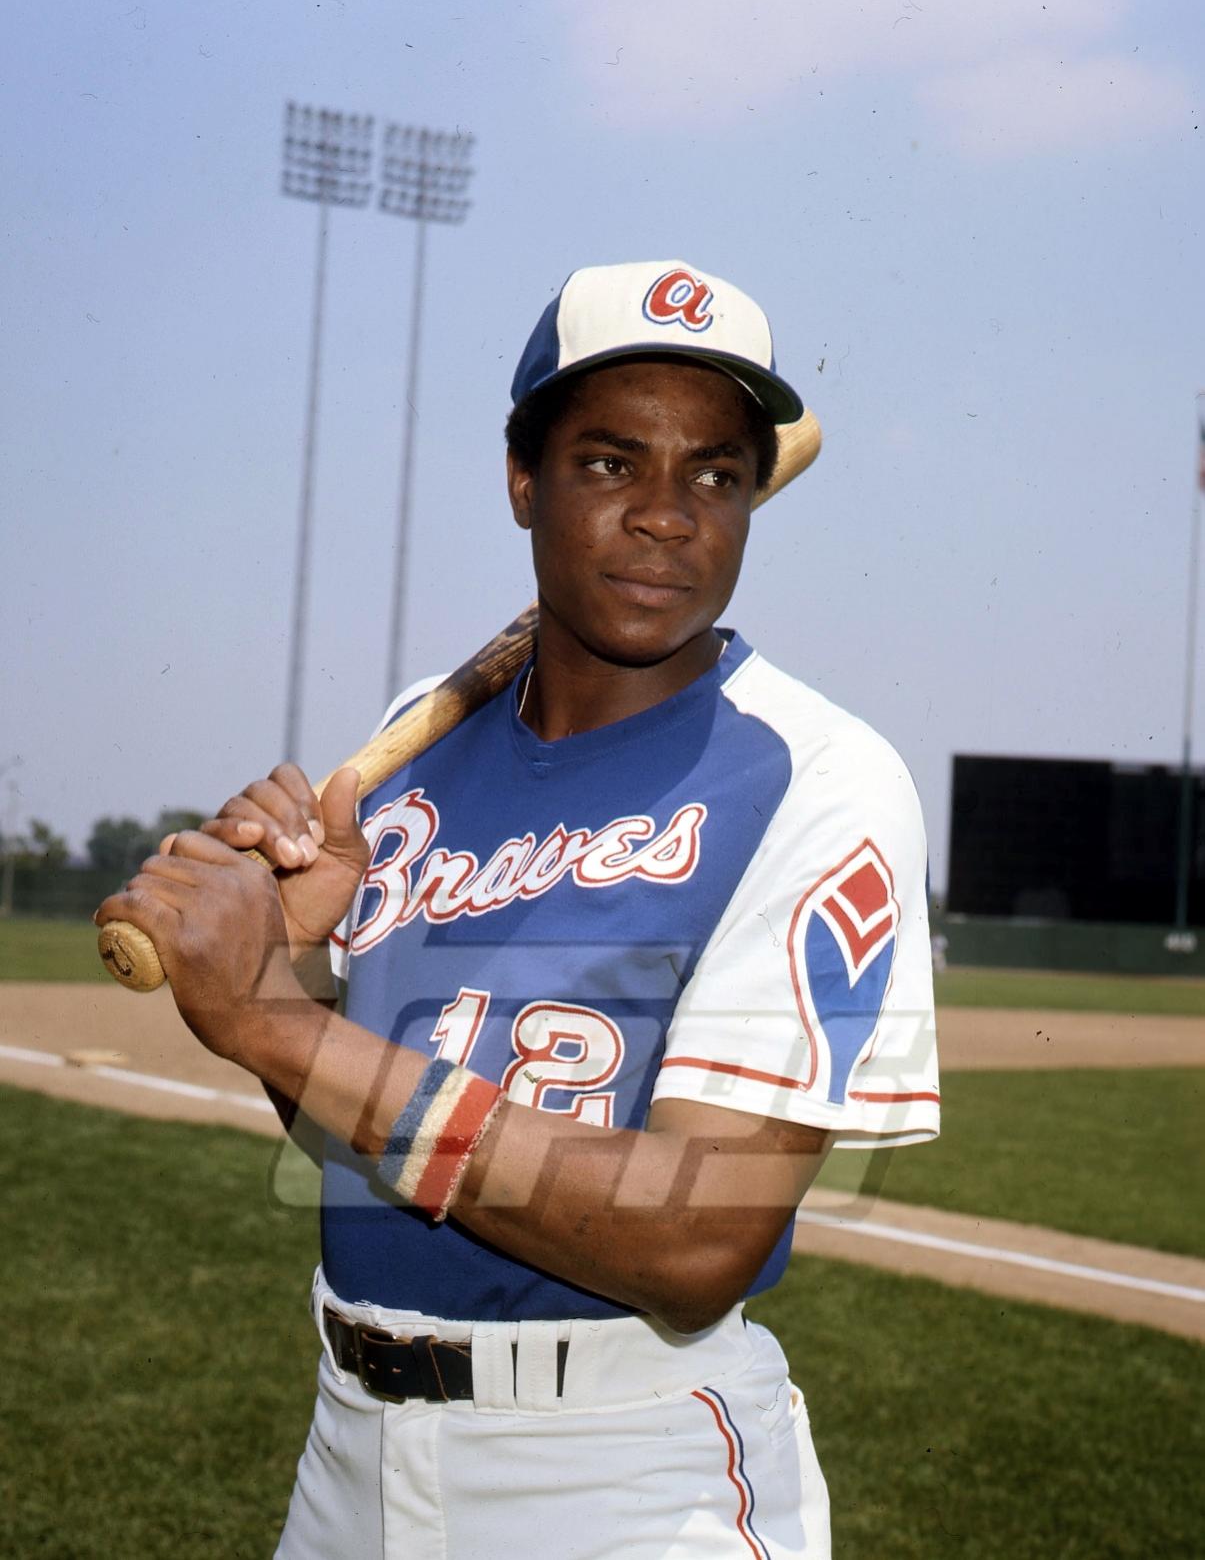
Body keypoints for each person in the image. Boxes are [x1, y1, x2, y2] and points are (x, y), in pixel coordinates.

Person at [97, 260, 939, 1558]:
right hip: (348, 1456)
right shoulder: (416, 744)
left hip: (623, 1475)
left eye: (715, 474)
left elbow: (699, 1236)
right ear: (520, 480)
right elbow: (358, 1145)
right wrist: (292, 970)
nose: (666, 516)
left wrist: (272, 1022)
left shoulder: (816, 775)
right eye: (609, 463)